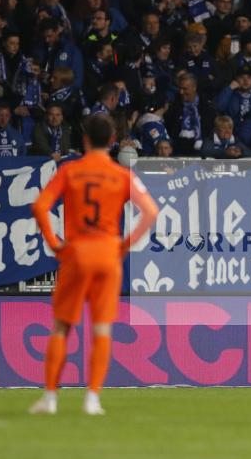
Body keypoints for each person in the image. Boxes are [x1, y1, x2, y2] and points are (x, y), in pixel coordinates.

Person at [29, 114, 159, 416]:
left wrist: (54, 242)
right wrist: (124, 246)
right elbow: (151, 211)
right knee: (101, 328)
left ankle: (50, 398)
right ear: (113, 141)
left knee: (62, 327)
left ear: (85, 139)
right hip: (107, 255)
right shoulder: (121, 174)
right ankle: (92, 399)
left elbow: (39, 206)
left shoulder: (70, 170)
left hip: (76, 253)